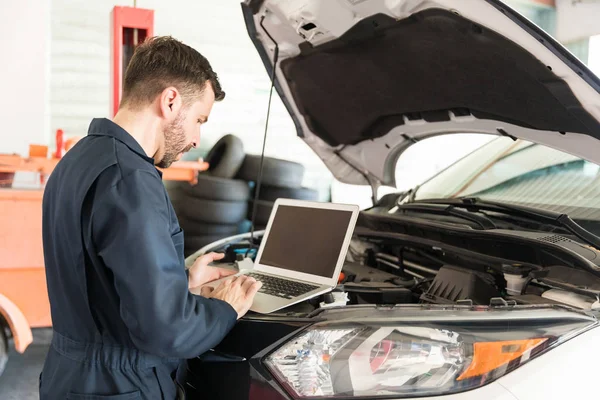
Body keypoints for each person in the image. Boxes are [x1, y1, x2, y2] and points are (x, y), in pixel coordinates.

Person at [39, 36, 261, 400]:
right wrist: (225, 308)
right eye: (199, 119)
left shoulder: (79, 159)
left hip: (69, 376)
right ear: (171, 100)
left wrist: (182, 282)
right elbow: (167, 330)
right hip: (120, 385)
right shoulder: (130, 181)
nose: (195, 138)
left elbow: (98, 284)